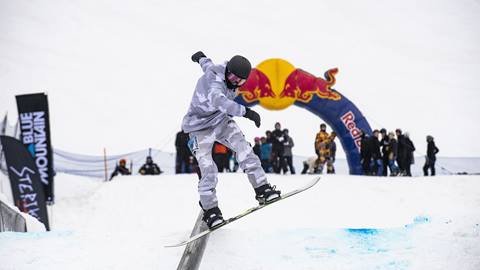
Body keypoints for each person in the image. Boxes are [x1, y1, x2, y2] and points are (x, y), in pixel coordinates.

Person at [181, 51, 281, 229]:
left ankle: (262, 188)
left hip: (220, 121)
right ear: (227, 71)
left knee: (245, 149)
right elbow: (221, 101)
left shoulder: (220, 71)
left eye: (240, 81)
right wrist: (247, 112)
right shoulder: (215, 82)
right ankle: (210, 210)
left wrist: (200, 57)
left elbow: (206, 63)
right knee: (208, 168)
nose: (235, 82)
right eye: (233, 77)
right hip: (198, 128)